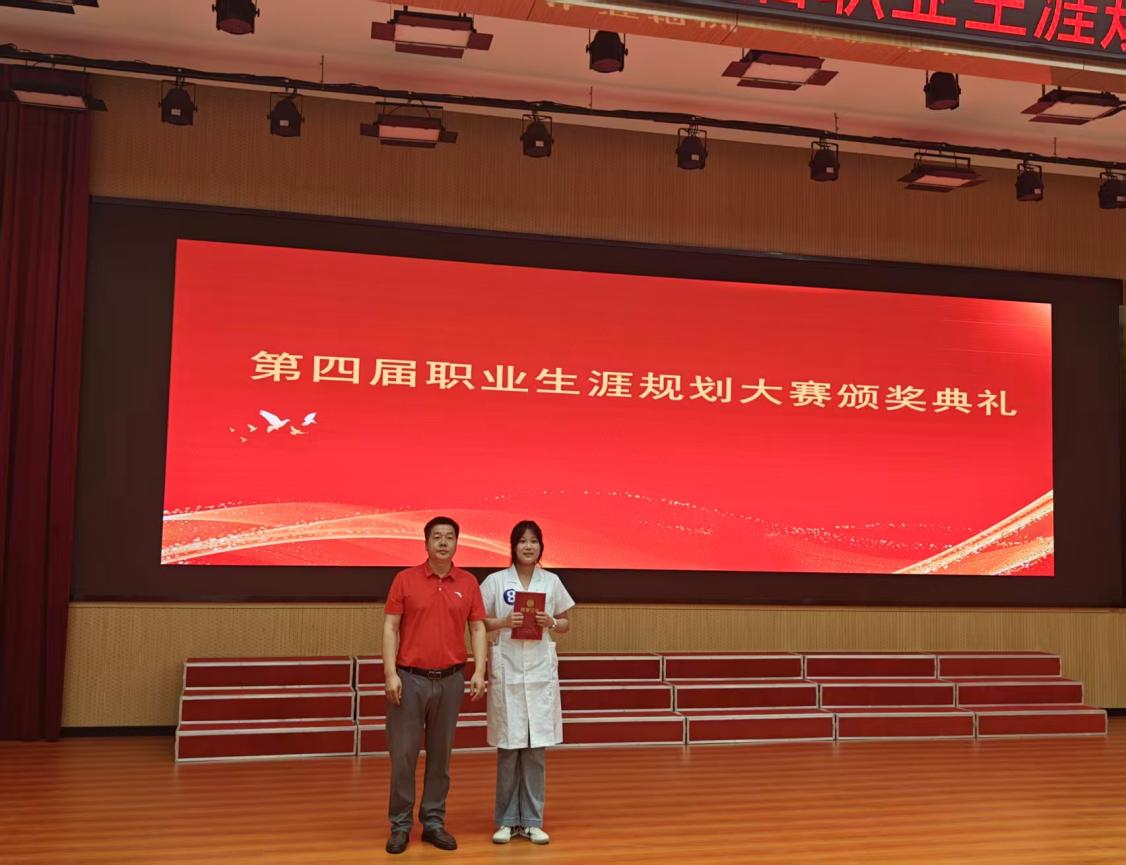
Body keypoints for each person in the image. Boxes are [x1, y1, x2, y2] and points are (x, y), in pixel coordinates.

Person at [382, 516, 487, 855]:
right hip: (410, 680)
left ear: (457, 543)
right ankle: (400, 825)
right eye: (437, 537)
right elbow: (390, 627)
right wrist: (390, 674)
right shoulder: (405, 579)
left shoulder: (468, 582)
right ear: (426, 543)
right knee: (404, 756)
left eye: (449, 537)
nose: (443, 542)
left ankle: (433, 822)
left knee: (441, 758)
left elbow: (478, 628)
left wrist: (479, 669)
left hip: (451, 680)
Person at [480, 520, 574, 846]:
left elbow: (566, 623)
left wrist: (552, 621)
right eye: (522, 541)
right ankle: (506, 821)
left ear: (541, 547)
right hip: (507, 670)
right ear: (513, 546)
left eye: (534, 541)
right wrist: (504, 621)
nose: (528, 547)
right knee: (509, 749)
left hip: (538, 673)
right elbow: (479, 621)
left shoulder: (551, 581)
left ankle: (533, 821)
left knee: (535, 751)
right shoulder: (495, 581)